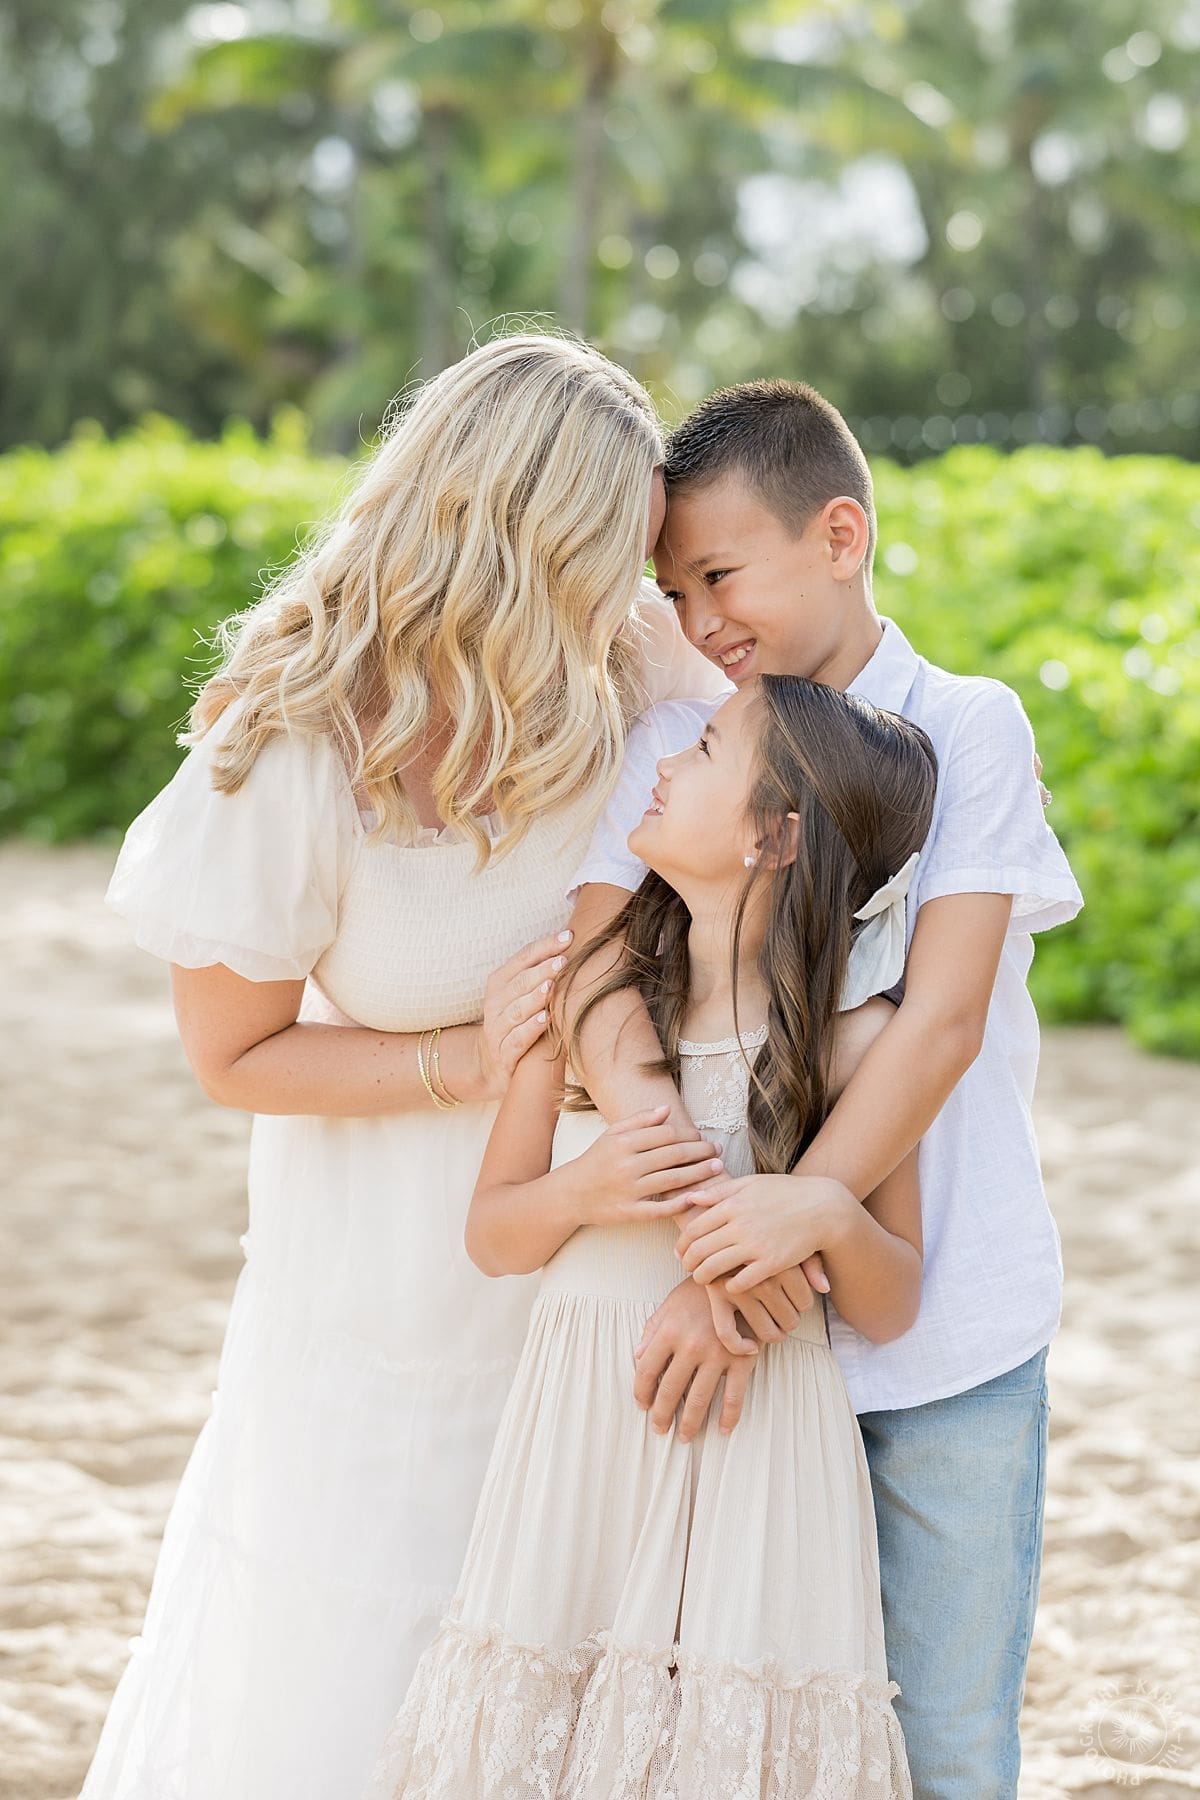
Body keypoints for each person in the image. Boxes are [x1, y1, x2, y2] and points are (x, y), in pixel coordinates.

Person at [82, 333, 728, 1800]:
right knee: (358, 1687)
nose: (631, 593)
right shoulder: (294, 739)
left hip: (591, 1280)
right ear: (512, 539)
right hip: (381, 1302)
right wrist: (472, 1054)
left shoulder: (633, 658)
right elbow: (234, 1054)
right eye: (603, 557)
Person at [562, 379, 1084, 1800]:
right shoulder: (679, 751)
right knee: (736, 1735)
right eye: (674, 592)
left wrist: (771, 1251)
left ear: (839, 533)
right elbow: (595, 976)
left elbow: (939, 1022)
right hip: (710, 1326)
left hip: (940, 1330)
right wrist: (681, 1173)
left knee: (947, 1740)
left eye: (720, 575)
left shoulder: (965, 728)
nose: (699, 621)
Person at [367, 674, 938, 1798]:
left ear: (776, 836)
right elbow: (495, 1234)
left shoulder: (855, 1047)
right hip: (587, 1418)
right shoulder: (591, 1008)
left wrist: (820, 1214)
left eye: (710, 749)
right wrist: (585, 1190)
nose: (668, 762)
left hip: (762, 1430)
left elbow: (891, 1299)